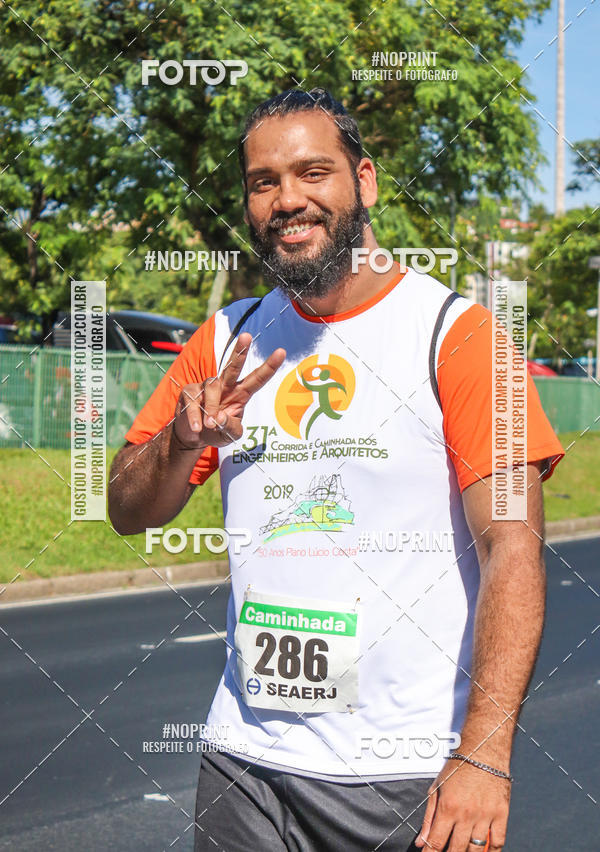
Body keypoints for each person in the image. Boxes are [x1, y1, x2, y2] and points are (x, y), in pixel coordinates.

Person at [108, 89, 564, 852]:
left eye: (313, 172)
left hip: (406, 772)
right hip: (244, 764)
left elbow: (513, 549)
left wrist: (484, 752)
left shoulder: (462, 336)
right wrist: (182, 441)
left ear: (366, 181)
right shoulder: (227, 336)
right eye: (263, 182)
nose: (288, 199)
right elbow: (127, 508)